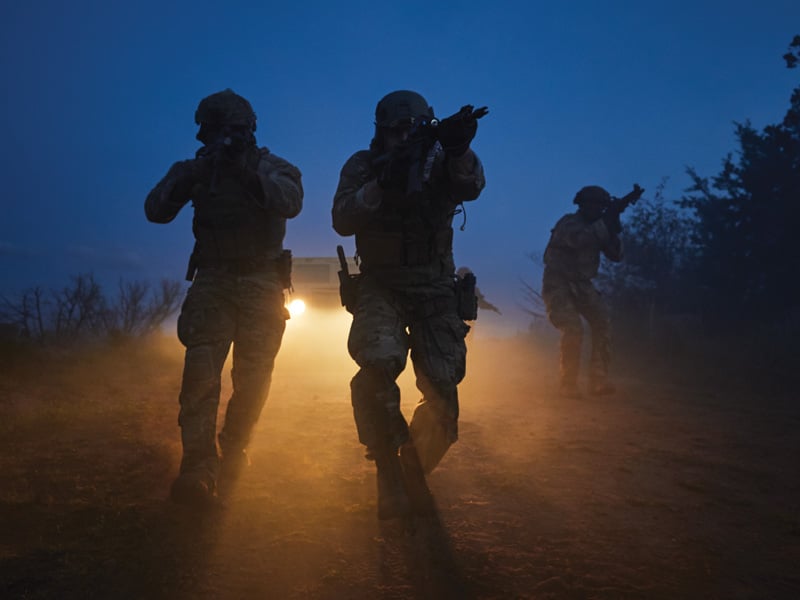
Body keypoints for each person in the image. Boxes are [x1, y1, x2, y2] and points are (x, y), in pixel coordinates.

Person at [332, 90, 487, 519]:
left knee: (444, 395)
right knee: (378, 365)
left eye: (412, 129)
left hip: (436, 287)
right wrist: (382, 183)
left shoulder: (442, 161)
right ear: (380, 131)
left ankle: (412, 472)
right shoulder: (363, 166)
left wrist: (459, 150)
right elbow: (342, 219)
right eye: (396, 130)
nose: (404, 136)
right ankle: (387, 467)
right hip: (382, 286)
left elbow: (472, 185)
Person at [145, 89, 303, 505]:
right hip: (213, 281)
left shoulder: (275, 168)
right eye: (213, 134)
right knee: (200, 375)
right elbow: (155, 210)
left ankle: (234, 448)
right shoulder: (198, 170)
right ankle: (198, 467)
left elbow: (291, 203)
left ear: (247, 130)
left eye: (227, 132)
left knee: (252, 382)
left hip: (261, 283)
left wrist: (245, 174)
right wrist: (193, 175)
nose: (218, 140)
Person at [541, 185, 623, 399]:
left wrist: (613, 227)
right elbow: (579, 240)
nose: (597, 209)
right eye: (594, 205)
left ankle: (598, 380)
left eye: (602, 207)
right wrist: (606, 223)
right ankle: (568, 384)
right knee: (573, 328)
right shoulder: (568, 223)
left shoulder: (599, 226)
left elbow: (616, 255)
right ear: (583, 205)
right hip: (558, 283)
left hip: (582, 285)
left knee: (602, 322)